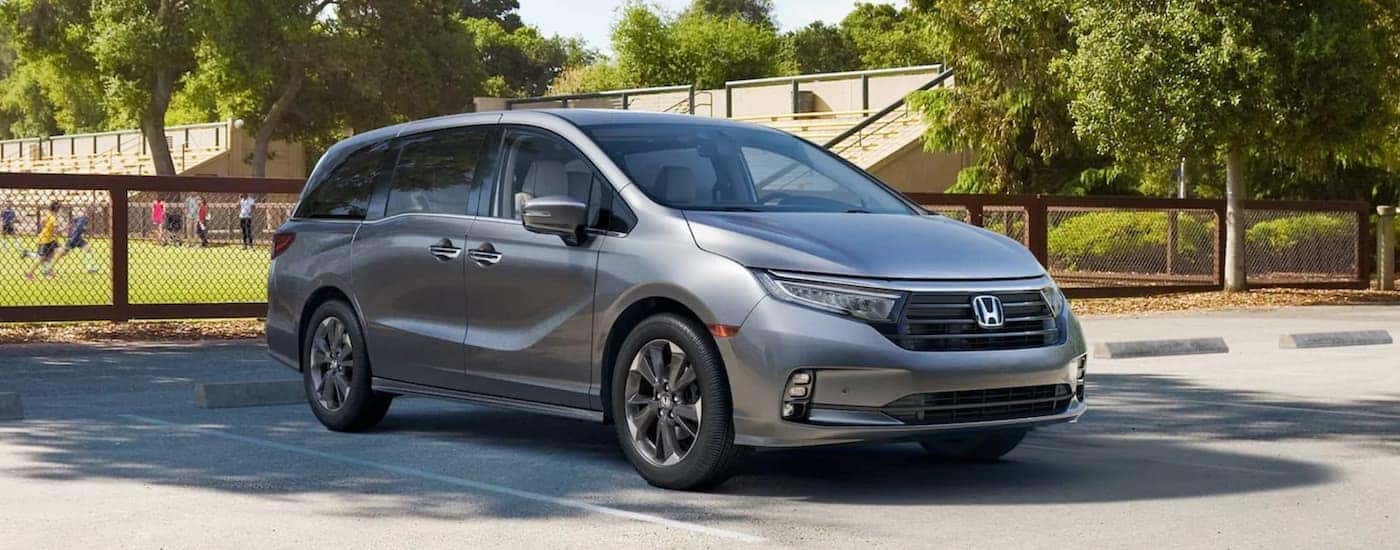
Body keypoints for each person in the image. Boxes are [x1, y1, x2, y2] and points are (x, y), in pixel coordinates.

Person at [51, 205, 99, 274]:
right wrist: (64, 229)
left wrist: (64, 229)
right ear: (87, 211)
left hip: (78, 239)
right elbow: (72, 224)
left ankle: (90, 268)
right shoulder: (82, 218)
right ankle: (47, 263)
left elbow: (73, 224)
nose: (92, 213)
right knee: (62, 253)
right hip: (73, 239)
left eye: (93, 211)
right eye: (91, 211)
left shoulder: (86, 219)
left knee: (87, 248)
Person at [23, 201, 61, 279]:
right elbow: (56, 230)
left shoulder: (48, 214)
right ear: (57, 209)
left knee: (54, 254)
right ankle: (29, 273)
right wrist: (64, 229)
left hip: (49, 238)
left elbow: (41, 223)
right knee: (42, 258)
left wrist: (47, 229)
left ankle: (49, 270)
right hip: (45, 239)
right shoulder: (53, 218)